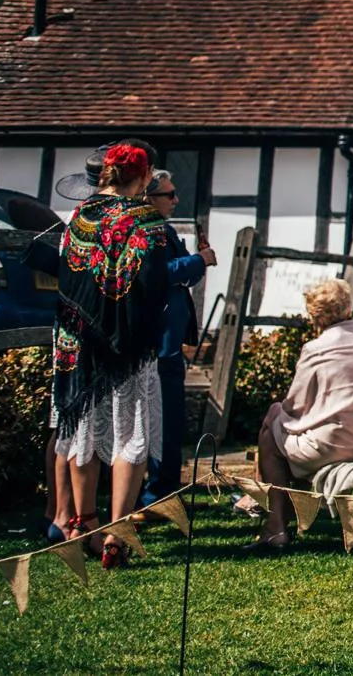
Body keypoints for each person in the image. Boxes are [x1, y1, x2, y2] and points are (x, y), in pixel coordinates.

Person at [52, 140, 173, 567]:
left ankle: (83, 523)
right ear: (143, 175)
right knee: (131, 435)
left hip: (79, 341)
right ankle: (116, 536)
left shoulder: (79, 217)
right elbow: (154, 283)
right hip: (129, 346)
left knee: (83, 430)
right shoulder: (145, 219)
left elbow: (65, 274)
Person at [248, 277, 353, 552]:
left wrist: (279, 412)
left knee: (272, 426)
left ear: (315, 315)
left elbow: (295, 405)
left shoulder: (316, 349)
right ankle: (289, 513)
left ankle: (276, 525)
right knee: (282, 425)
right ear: (348, 306)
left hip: (329, 445)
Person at [141, 169, 215, 507]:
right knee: (161, 415)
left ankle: (166, 486)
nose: (176, 200)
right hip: (160, 339)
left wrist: (197, 262)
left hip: (170, 339)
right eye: (169, 195)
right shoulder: (147, 230)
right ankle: (159, 490)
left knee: (169, 415)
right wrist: (197, 260)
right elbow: (158, 274)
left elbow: (179, 275)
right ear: (149, 198)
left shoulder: (163, 229)